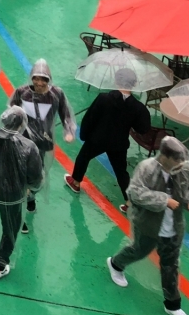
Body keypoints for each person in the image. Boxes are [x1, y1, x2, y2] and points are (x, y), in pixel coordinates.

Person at [107, 137, 189, 315]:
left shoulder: (183, 169)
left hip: (174, 227)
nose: (181, 164)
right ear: (165, 157)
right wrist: (163, 200)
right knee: (139, 250)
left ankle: (172, 305)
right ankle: (116, 264)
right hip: (148, 224)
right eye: (177, 160)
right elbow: (134, 193)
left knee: (171, 265)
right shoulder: (146, 168)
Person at [65, 68, 151, 215]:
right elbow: (142, 128)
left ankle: (76, 182)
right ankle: (130, 202)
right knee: (121, 172)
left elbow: (90, 118)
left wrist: (85, 135)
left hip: (97, 139)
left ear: (117, 81)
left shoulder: (103, 98)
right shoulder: (138, 107)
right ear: (134, 84)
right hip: (119, 144)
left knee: (83, 157)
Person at [0, 106, 44, 280]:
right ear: (22, 124)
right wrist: (32, 190)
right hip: (12, 196)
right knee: (10, 227)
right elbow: (35, 177)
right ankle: (0, 264)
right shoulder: (28, 146)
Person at [8, 60, 75, 232]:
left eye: (43, 79)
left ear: (49, 79)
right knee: (20, 178)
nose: (39, 82)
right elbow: (11, 110)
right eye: (36, 78)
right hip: (22, 142)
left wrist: (69, 131)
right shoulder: (22, 93)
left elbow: (66, 114)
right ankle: (20, 215)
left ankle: (30, 199)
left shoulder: (56, 94)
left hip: (43, 144)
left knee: (37, 177)